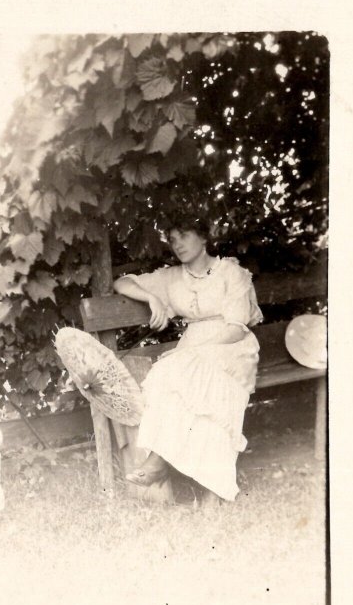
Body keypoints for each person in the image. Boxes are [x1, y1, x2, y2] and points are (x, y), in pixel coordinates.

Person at [113, 217, 263, 506]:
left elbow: (235, 328)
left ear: (204, 236)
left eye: (183, 234)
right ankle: (211, 490)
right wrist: (152, 299)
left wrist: (194, 352)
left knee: (205, 381)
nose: (177, 243)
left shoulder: (231, 272)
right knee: (178, 379)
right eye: (171, 238)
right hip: (193, 348)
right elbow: (122, 283)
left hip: (231, 346)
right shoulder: (171, 278)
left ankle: (161, 463)